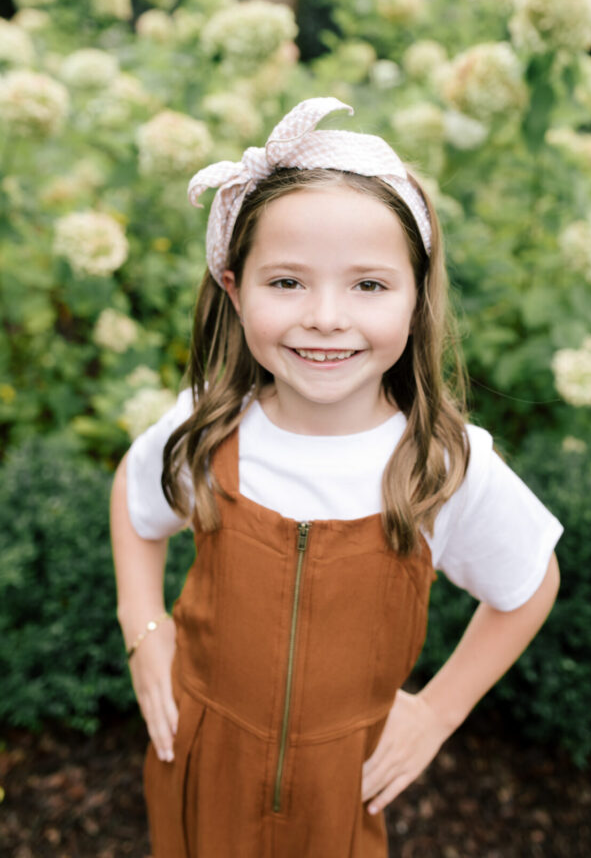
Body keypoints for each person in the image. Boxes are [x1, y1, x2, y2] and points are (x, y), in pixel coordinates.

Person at [110, 97, 562, 858]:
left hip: (342, 785)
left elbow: (529, 583)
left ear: (416, 296)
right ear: (234, 288)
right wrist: (142, 626)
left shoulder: (438, 464)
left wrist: (438, 712)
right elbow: (135, 499)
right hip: (198, 756)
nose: (325, 316)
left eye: (368, 285)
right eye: (286, 282)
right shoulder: (211, 425)